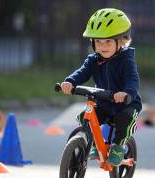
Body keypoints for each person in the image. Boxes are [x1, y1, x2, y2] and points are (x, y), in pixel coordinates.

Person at [60, 8, 142, 166]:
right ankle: (91, 143)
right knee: (86, 116)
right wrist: (70, 82)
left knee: (125, 118)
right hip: (104, 102)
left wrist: (126, 93)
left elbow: (133, 79)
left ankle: (119, 147)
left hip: (125, 103)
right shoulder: (93, 60)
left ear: (122, 41)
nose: (103, 46)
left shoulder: (126, 60)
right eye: (98, 41)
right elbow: (82, 72)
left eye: (108, 41)